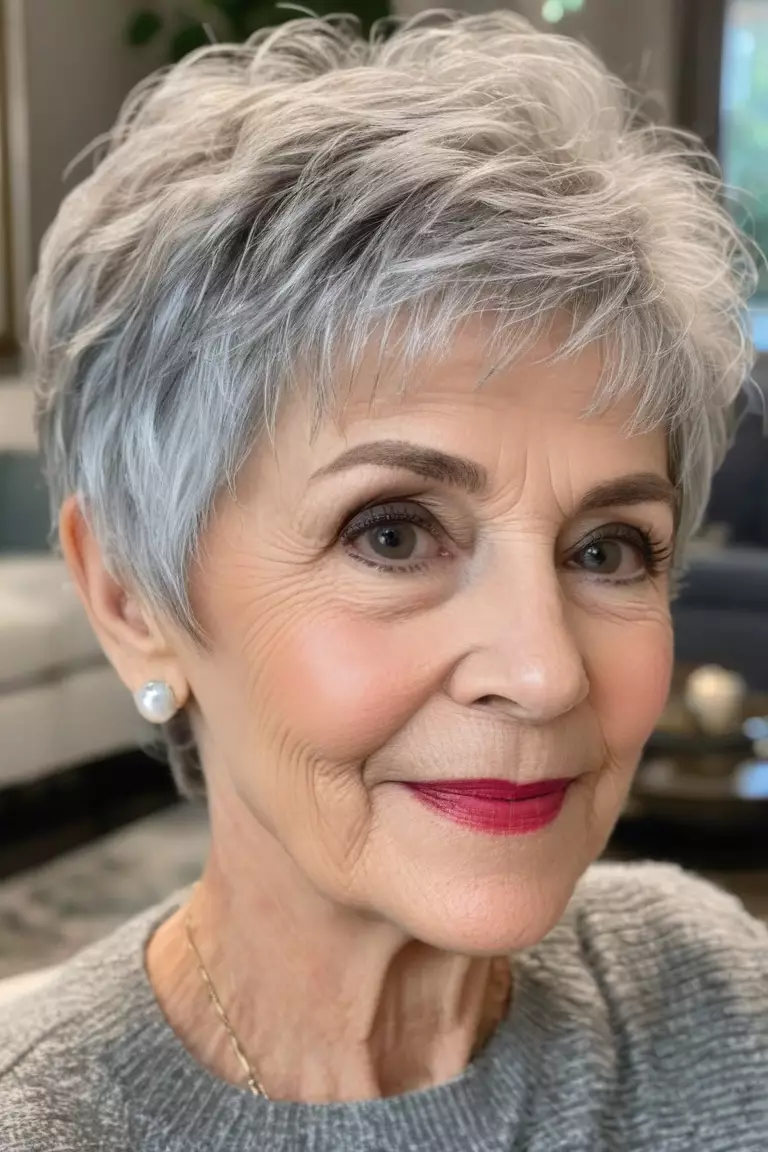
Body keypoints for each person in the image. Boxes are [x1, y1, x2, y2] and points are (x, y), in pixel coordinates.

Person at [2, 10, 766, 1150]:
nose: (545, 671)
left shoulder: (712, 996)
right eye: (394, 535)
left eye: (607, 549)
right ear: (130, 599)